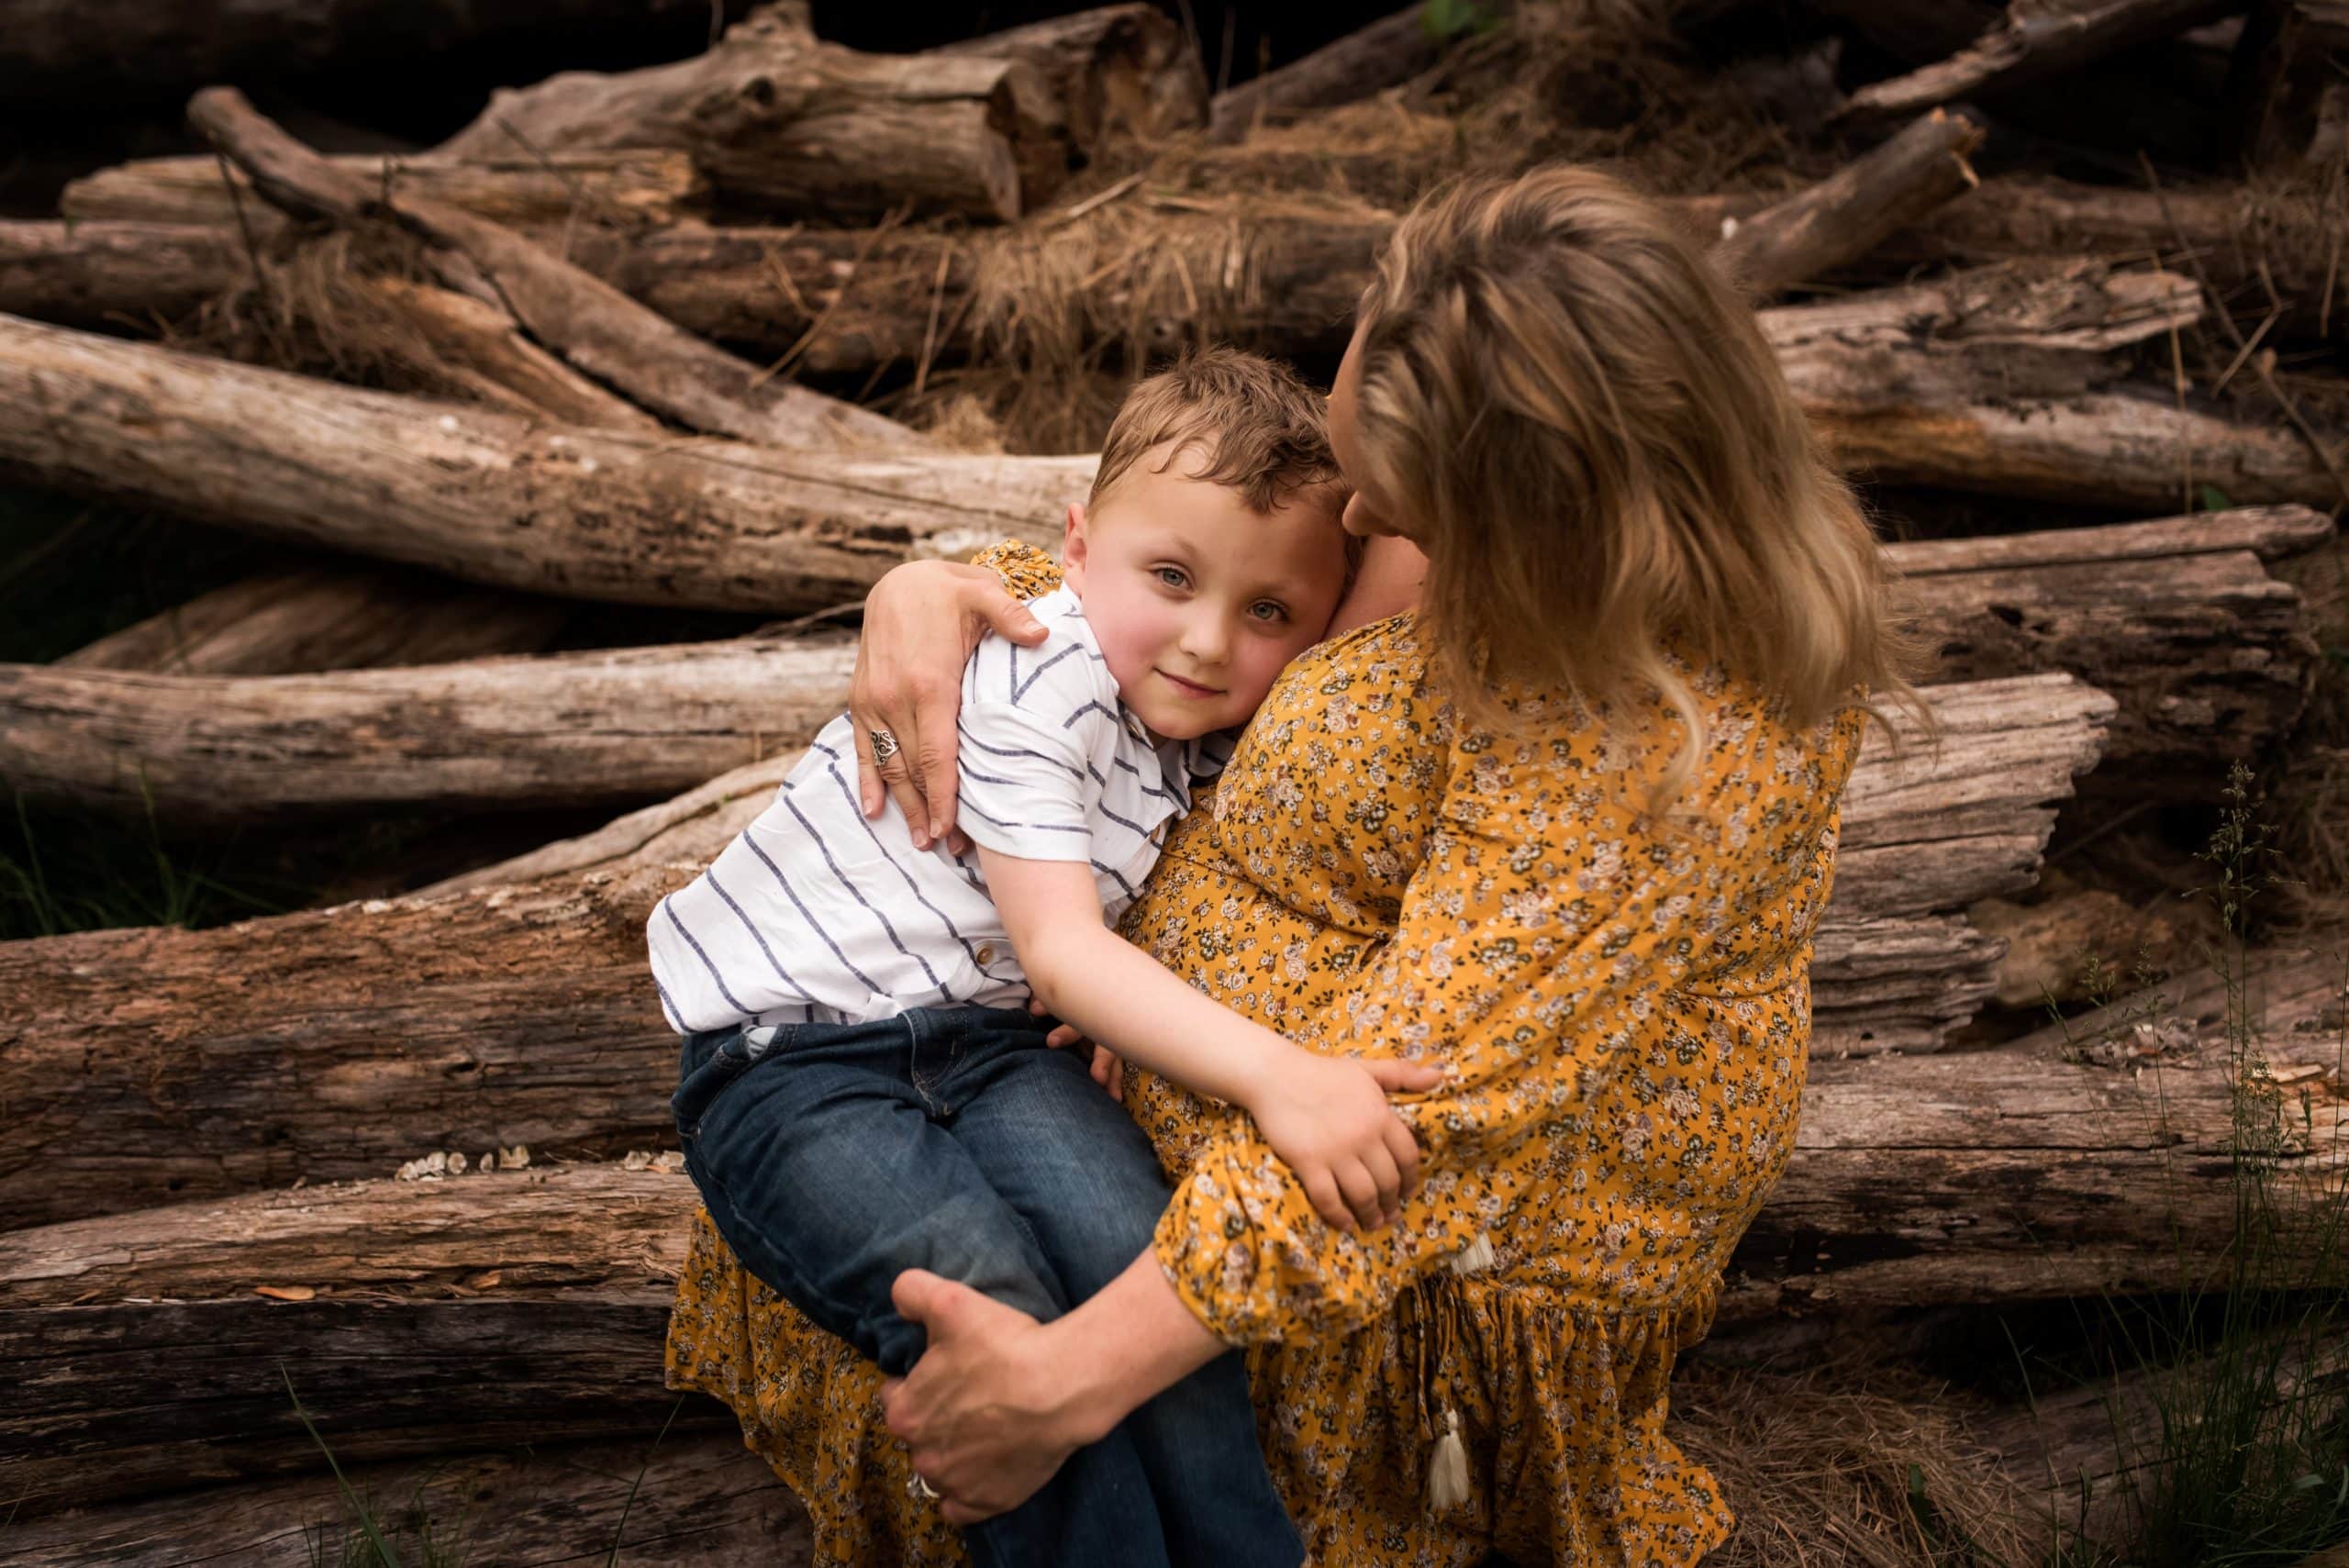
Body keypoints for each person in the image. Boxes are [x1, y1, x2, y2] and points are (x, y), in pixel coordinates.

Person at [665, 164, 1919, 1566]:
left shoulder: (1671, 737)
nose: (1371, 521)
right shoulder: (1426, 486)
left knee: (1023, 1367)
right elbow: (1165, 571)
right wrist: (936, 587)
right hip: (1041, 1065)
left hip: (1365, 1248)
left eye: (1409, 502)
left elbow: (1421, 1140)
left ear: (1547, 521)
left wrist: (1064, 1383)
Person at [655, 349, 1439, 1568]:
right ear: (1074, 547)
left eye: (1267, 612)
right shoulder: (1048, 670)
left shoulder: (1184, 724)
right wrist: (1282, 1075)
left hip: (991, 1050)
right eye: (1172, 576)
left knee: (1146, 1255)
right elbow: (1063, 954)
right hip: (794, 1063)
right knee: (989, 1295)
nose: (1206, 640)